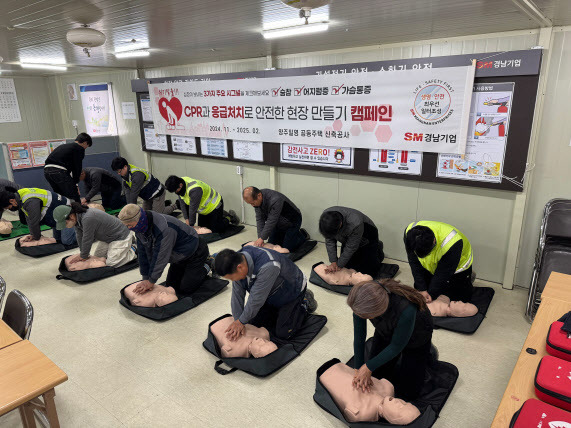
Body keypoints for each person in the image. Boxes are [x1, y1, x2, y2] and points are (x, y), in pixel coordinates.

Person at [348, 279, 434, 402]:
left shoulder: (406, 309)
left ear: (377, 312)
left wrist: (368, 366)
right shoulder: (360, 302)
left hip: (417, 335)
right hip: (386, 330)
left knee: (408, 393)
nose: (360, 316)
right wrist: (358, 367)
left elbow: (396, 346)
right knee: (377, 376)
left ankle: (427, 351)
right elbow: (359, 336)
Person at [214, 246, 317, 340]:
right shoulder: (237, 261)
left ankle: (304, 300)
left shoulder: (268, 266)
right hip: (270, 292)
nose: (233, 280)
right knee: (252, 323)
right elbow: (237, 295)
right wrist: (238, 320)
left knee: (284, 333)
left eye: (231, 278)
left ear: (240, 267)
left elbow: (256, 299)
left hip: (291, 290)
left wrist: (241, 322)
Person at [118, 204, 209, 296]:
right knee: (171, 286)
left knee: (186, 289)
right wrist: (146, 278)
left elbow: (161, 256)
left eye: (129, 225)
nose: (129, 228)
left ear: (139, 220)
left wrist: (151, 281)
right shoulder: (140, 227)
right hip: (178, 257)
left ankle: (207, 264)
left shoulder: (164, 228)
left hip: (195, 252)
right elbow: (143, 253)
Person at [404, 221, 473, 303]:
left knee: (458, 298)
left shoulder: (451, 242)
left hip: (457, 266)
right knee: (422, 290)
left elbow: (444, 272)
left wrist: (431, 294)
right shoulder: (409, 234)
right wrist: (421, 288)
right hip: (431, 264)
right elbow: (414, 262)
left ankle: (468, 278)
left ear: (434, 241)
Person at [53, 202, 136, 267]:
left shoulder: (88, 218)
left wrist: (83, 256)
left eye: (65, 223)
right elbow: (79, 236)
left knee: (112, 263)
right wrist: (83, 254)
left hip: (120, 236)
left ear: (71, 216)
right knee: (98, 257)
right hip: (108, 238)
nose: (65, 226)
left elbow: (87, 238)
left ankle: (133, 248)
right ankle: (125, 248)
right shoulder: (77, 218)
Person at [319, 206, 384, 278]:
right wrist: (334, 262)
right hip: (347, 237)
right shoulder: (325, 219)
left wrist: (339, 265)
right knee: (348, 267)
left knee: (368, 272)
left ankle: (378, 249)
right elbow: (329, 240)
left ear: (340, 225)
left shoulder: (355, 222)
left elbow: (351, 247)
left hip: (367, 236)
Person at [0, 188, 76, 245]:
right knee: (57, 239)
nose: (9, 209)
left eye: (8, 207)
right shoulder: (20, 196)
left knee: (67, 241)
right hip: (57, 213)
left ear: (12, 201)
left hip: (67, 212)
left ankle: (82, 230)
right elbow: (29, 218)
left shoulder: (29, 201)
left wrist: (36, 237)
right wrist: (33, 235)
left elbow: (34, 221)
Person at [242, 186, 307, 252]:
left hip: (292, 221)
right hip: (278, 223)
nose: (252, 205)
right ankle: (290, 235)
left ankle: (301, 236)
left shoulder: (275, 199)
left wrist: (262, 238)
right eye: (250, 204)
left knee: (286, 249)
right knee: (271, 245)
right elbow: (260, 219)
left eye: (252, 203)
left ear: (259, 195)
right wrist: (260, 237)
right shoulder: (257, 201)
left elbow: (271, 220)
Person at [164, 175, 236, 233]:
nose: (176, 193)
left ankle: (229, 217)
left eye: (175, 191)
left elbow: (192, 209)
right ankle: (220, 215)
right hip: (204, 210)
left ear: (180, 185)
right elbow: (182, 204)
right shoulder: (180, 183)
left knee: (215, 230)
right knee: (202, 228)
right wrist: (186, 220)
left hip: (215, 205)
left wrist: (190, 226)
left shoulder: (194, 190)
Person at [111, 157, 175, 215]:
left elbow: (133, 195)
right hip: (147, 196)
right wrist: (128, 207)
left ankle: (175, 205)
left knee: (158, 215)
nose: (119, 174)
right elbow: (128, 193)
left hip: (157, 194)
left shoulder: (137, 175)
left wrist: (130, 212)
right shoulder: (125, 176)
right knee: (145, 214)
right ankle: (164, 204)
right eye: (117, 172)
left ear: (125, 167)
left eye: (119, 171)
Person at [44, 133, 92, 202]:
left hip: (47, 171)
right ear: (85, 143)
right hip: (59, 171)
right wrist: (75, 184)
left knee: (61, 197)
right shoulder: (79, 148)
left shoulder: (63, 146)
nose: (85, 148)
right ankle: (79, 211)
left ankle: (65, 211)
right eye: (87, 146)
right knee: (74, 196)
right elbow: (77, 168)